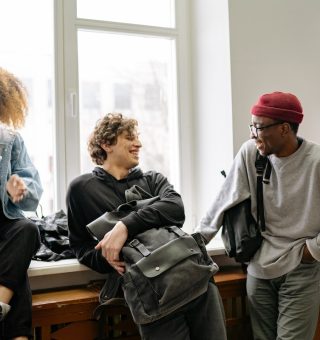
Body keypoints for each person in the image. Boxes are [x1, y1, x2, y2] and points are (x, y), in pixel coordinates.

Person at [67, 113, 227, 340]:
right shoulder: (81, 190)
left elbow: (175, 208)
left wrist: (124, 226)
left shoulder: (152, 179)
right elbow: (79, 246)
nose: (138, 143)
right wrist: (108, 259)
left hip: (198, 281)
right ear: (106, 144)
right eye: (129, 137)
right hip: (152, 296)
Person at [197, 91, 320, 340]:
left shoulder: (315, 162)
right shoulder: (250, 153)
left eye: (259, 127)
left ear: (285, 129)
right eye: (251, 126)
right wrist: (193, 245)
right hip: (259, 268)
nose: (253, 134)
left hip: (301, 269)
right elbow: (224, 199)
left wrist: (313, 250)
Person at [0, 68, 43, 340]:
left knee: (27, 229)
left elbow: (33, 192)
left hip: (5, 228)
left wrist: (20, 190)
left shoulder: (10, 141)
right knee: (18, 279)